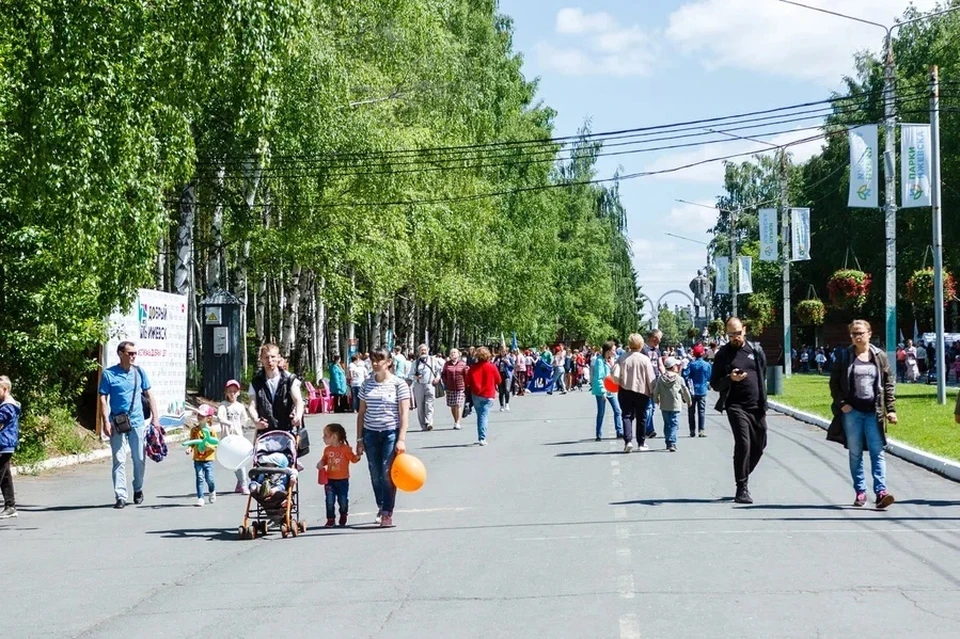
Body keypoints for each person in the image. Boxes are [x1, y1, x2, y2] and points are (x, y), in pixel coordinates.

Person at [828, 320, 897, 509]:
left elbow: (888, 384)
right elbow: (834, 383)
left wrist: (890, 409)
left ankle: (881, 492)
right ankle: (860, 491)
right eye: (853, 334)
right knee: (855, 452)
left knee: (878, 451)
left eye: (860, 333)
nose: (857, 337)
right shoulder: (844, 356)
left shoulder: (879, 356)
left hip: (874, 412)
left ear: (869, 333)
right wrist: (842, 404)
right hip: (852, 412)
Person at [709, 318, 768, 504]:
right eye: (731, 334)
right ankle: (741, 487)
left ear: (745, 330)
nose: (735, 337)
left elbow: (762, 374)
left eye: (738, 333)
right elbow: (715, 384)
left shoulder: (755, 351)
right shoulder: (723, 355)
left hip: (757, 406)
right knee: (744, 443)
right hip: (735, 406)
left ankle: (742, 472)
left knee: (760, 445)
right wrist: (730, 379)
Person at [99, 341, 162, 509]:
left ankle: (138, 488)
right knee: (119, 460)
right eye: (130, 353)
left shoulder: (139, 372)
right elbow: (103, 398)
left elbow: (149, 395)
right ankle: (120, 495)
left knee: (139, 458)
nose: (133, 356)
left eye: (135, 353)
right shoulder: (109, 374)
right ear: (120, 354)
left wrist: (156, 418)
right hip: (117, 422)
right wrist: (105, 420)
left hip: (137, 421)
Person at [356, 348, 411, 527]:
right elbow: (361, 413)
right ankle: (380, 505)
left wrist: (401, 439)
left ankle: (387, 511)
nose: (375, 363)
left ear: (388, 362)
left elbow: (404, 415)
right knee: (375, 473)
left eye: (380, 360)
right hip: (370, 434)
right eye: (373, 360)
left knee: (387, 473)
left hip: (390, 433)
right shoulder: (366, 384)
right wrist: (359, 439)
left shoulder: (399, 384)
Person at [611, 334, 656, 453]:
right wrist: (653, 392)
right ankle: (641, 443)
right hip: (642, 391)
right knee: (642, 417)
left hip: (625, 389)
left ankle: (628, 441)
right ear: (641, 344)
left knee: (626, 415)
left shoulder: (622, 358)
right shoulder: (644, 359)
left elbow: (615, 373)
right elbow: (650, 378)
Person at [248, 343, 305, 434]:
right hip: (265, 432)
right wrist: (256, 420)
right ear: (261, 359)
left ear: (279, 358)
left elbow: (298, 401)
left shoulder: (290, 379)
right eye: (266, 357)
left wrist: (298, 415)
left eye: (273, 357)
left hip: (287, 431)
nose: (270, 360)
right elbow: (252, 405)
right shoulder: (255, 382)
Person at [317, 423, 361, 527]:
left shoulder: (346, 449)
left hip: (343, 480)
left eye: (325, 435)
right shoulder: (327, 450)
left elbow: (353, 459)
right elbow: (325, 460)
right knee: (329, 500)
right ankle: (330, 518)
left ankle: (343, 514)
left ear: (334, 437)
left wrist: (358, 456)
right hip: (330, 480)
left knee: (343, 500)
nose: (323, 438)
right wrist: (321, 463)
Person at [217, 379, 251, 494]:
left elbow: (245, 420)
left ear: (238, 393)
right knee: (234, 461)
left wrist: (249, 422)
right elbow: (220, 418)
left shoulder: (240, 406)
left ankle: (243, 484)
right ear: (226, 392)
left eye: (234, 391)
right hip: (228, 439)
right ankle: (242, 483)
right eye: (230, 391)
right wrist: (228, 423)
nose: (232, 394)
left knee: (240, 460)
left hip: (238, 438)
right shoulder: (223, 405)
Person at [652, 357, 692, 452]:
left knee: (667, 423)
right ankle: (672, 442)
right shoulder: (679, 379)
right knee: (674, 424)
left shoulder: (661, 378)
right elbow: (685, 391)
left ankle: (668, 441)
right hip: (675, 405)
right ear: (673, 367)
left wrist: (656, 399)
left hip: (664, 405)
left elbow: (656, 390)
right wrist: (689, 401)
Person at [465, 347, 501, 445]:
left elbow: (467, 382)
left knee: (480, 415)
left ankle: (481, 436)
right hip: (488, 394)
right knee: (483, 416)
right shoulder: (492, 367)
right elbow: (499, 380)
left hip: (476, 394)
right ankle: (482, 437)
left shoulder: (473, 368)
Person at [591, 341, 623, 441]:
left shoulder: (612, 360)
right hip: (602, 390)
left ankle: (619, 431)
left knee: (617, 410)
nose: (615, 352)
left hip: (611, 390)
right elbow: (599, 377)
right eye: (613, 350)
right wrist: (603, 391)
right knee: (601, 412)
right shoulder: (599, 361)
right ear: (608, 351)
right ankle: (598, 434)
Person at [187, 405, 218, 507]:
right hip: (197, 459)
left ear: (208, 418)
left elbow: (215, 444)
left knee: (209, 478)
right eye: (198, 414)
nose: (199, 417)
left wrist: (208, 447)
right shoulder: (194, 430)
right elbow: (192, 442)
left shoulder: (211, 431)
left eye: (202, 415)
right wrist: (189, 448)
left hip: (208, 459)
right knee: (199, 477)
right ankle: (200, 497)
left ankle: (212, 490)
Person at [0, 376, 21, 519]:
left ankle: (10, 506)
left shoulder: (8, 406)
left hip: (3, 445)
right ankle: (10, 506)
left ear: (5, 389)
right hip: (3, 446)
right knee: (5, 477)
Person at [409, 344, 442, 431]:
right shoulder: (415, 362)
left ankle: (429, 422)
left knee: (429, 404)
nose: (423, 351)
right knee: (420, 406)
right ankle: (423, 425)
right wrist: (415, 377)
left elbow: (439, 370)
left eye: (424, 350)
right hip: (418, 385)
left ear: (428, 350)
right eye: (421, 350)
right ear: (419, 352)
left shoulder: (433, 360)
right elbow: (410, 375)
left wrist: (437, 378)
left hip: (430, 384)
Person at [683, 345, 712, 437]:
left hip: (692, 390)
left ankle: (692, 430)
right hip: (702, 390)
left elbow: (685, 375)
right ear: (703, 353)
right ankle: (701, 430)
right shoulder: (707, 365)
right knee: (702, 411)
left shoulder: (691, 365)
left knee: (691, 411)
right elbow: (709, 376)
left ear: (694, 354)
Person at [641, 329, 663, 439]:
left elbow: (660, 365)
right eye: (660, 337)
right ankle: (649, 430)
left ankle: (646, 428)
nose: (661, 339)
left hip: (656, 380)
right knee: (648, 406)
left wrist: (665, 375)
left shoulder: (657, 351)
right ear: (654, 337)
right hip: (645, 381)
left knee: (653, 407)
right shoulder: (643, 349)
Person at [442, 349, 469, 430]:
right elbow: (443, 374)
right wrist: (445, 382)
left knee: (458, 404)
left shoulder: (462, 364)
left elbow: (466, 375)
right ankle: (455, 420)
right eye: (451, 353)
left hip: (460, 387)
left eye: (454, 352)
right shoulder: (447, 364)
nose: (453, 354)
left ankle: (458, 422)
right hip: (450, 387)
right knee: (453, 405)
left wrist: (467, 385)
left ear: (458, 354)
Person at [495, 347, 515, 412]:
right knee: (501, 391)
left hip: (507, 376)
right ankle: (501, 405)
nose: (503, 352)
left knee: (507, 389)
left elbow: (513, 366)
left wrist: (508, 363)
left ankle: (507, 403)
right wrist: (496, 363)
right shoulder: (497, 358)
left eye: (504, 351)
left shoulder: (509, 358)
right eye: (501, 351)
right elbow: (493, 365)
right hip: (500, 376)